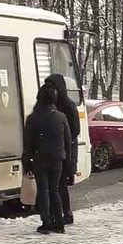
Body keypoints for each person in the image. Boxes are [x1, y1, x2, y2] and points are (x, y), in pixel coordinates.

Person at [22, 84, 72, 234]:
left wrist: (27, 163)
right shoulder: (61, 117)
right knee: (54, 190)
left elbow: (28, 143)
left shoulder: (33, 118)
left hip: (40, 158)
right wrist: (67, 160)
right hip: (57, 158)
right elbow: (67, 141)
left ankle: (46, 222)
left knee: (43, 190)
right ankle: (59, 221)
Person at [44, 74, 80, 225]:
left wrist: (62, 136)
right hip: (55, 149)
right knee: (55, 184)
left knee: (61, 184)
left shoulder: (69, 106)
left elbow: (75, 130)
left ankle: (67, 213)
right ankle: (58, 213)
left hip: (67, 150)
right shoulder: (50, 105)